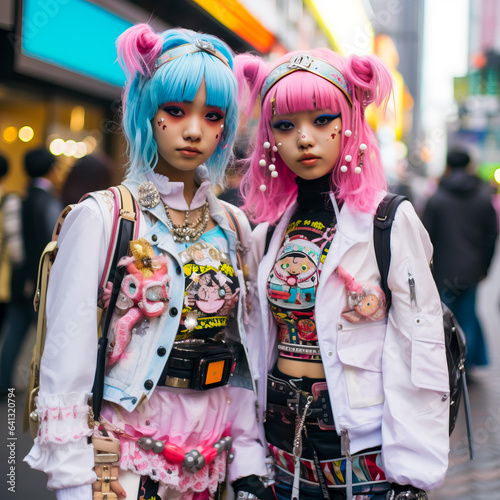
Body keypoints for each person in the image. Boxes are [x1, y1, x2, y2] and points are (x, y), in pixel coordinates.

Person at [24, 24, 272, 500]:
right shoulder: (104, 216)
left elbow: (242, 353)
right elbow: (67, 355)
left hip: (209, 469)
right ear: (146, 110)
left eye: (213, 115)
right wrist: (77, 479)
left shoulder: (236, 228)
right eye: (176, 111)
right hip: (122, 469)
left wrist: (247, 463)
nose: (194, 130)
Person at [235, 49, 450, 499]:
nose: (304, 139)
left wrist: (411, 472)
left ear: (349, 121)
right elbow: (253, 344)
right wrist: (249, 454)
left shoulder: (388, 220)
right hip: (280, 451)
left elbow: (419, 345)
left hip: (362, 453)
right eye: (286, 125)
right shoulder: (271, 228)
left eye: (321, 119)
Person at [422, 149, 498, 371]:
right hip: (471, 270)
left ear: (447, 166)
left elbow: (425, 236)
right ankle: (465, 367)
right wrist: (485, 267)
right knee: (468, 316)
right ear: (470, 165)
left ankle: (446, 365)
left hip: (444, 270)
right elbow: (491, 236)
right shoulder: (483, 198)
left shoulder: (437, 199)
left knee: (442, 318)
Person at [0, 148, 63, 394]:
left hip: (21, 279)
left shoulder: (20, 199)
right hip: (40, 280)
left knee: (15, 333)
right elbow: (55, 243)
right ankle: (47, 387)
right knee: (50, 336)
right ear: (51, 169)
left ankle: (3, 382)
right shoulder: (49, 202)